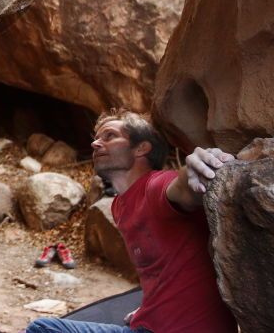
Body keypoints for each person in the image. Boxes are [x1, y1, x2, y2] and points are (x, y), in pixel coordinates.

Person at [26, 109, 237, 333]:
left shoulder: (155, 186)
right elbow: (159, 273)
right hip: (147, 326)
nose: (96, 144)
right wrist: (148, 307)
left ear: (141, 148)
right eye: (97, 138)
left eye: (109, 136)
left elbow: (182, 187)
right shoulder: (119, 206)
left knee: (43, 329)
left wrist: (198, 169)